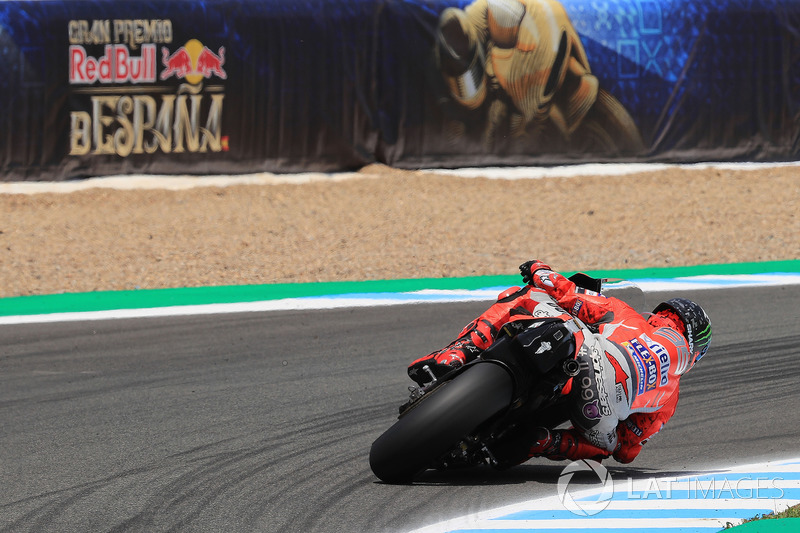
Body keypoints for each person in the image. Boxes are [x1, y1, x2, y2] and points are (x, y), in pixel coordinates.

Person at [408, 260, 712, 464]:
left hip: (589, 357)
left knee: (524, 296)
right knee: (607, 443)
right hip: (597, 413)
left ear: (661, 316)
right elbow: (627, 450)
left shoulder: (628, 316)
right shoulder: (670, 396)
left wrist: (539, 268)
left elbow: (566, 293)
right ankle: (542, 441)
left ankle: (458, 352)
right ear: (695, 352)